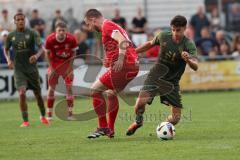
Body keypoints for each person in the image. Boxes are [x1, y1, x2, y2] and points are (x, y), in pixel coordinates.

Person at [126, 15, 198, 136]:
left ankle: (163, 127)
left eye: (178, 30)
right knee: (139, 105)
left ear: (184, 28)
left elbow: (196, 66)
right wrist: (133, 52)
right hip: (155, 76)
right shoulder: (164, 35)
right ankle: (138, 122)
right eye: (173, 29)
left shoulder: (188, 45)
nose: (175, 33)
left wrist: (188, 60)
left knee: (175, 119)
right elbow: (150, 43)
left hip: (172, 82)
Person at [84, 9, 139, 138]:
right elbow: (118, 43)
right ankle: (110, 129)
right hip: (132, 66)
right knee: (110, 93)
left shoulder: (106, 25)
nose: (89, 28)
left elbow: (122, 41)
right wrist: (109, 59)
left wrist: (120, 59)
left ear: (93, 20)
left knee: (94, 90)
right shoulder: (111, 26)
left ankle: (103, 127)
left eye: (88, 24)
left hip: (124, 66)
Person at [4, 13, 49, 127]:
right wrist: (8, 60)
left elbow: (41, 48)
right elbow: (6, 49)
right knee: (22, 93)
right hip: (19, 70)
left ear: (25, 20)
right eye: (18, 20)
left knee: (38, 95)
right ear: (14, 22)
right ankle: (25, 120)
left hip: (32, 70)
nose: (20, 21)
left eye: (22, 19)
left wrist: (36, 56)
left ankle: (43, 116)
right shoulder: (11, 35)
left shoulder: (33, 33)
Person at [44, 21, 78, 121]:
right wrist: (51, 68)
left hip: (67, 65)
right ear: (56, 31)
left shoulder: (71, 39)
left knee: (69, 88)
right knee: (51, 88)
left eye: (63, 30)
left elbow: (74, 53)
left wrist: (70, 68)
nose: (61, 32)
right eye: (59, 30)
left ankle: (70, 114)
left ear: (66, 31)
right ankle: (49, 114)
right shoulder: (50, 39)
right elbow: (47, 54)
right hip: (54, 65)